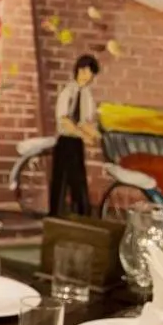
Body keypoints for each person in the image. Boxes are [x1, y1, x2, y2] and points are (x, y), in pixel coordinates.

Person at [50, 54, 101, 217]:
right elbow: (64, 120)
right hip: (65, 141)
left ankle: (81, 214)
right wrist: (82, 134)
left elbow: (85, 120)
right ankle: (55, 214)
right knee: (60, 181)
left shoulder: (87, 95)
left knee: (78, 181)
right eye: (87, 71)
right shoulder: (67, 92)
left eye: (91, 73)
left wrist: (94, 134)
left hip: (76, 144)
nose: (89, 76)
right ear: (80, 70)